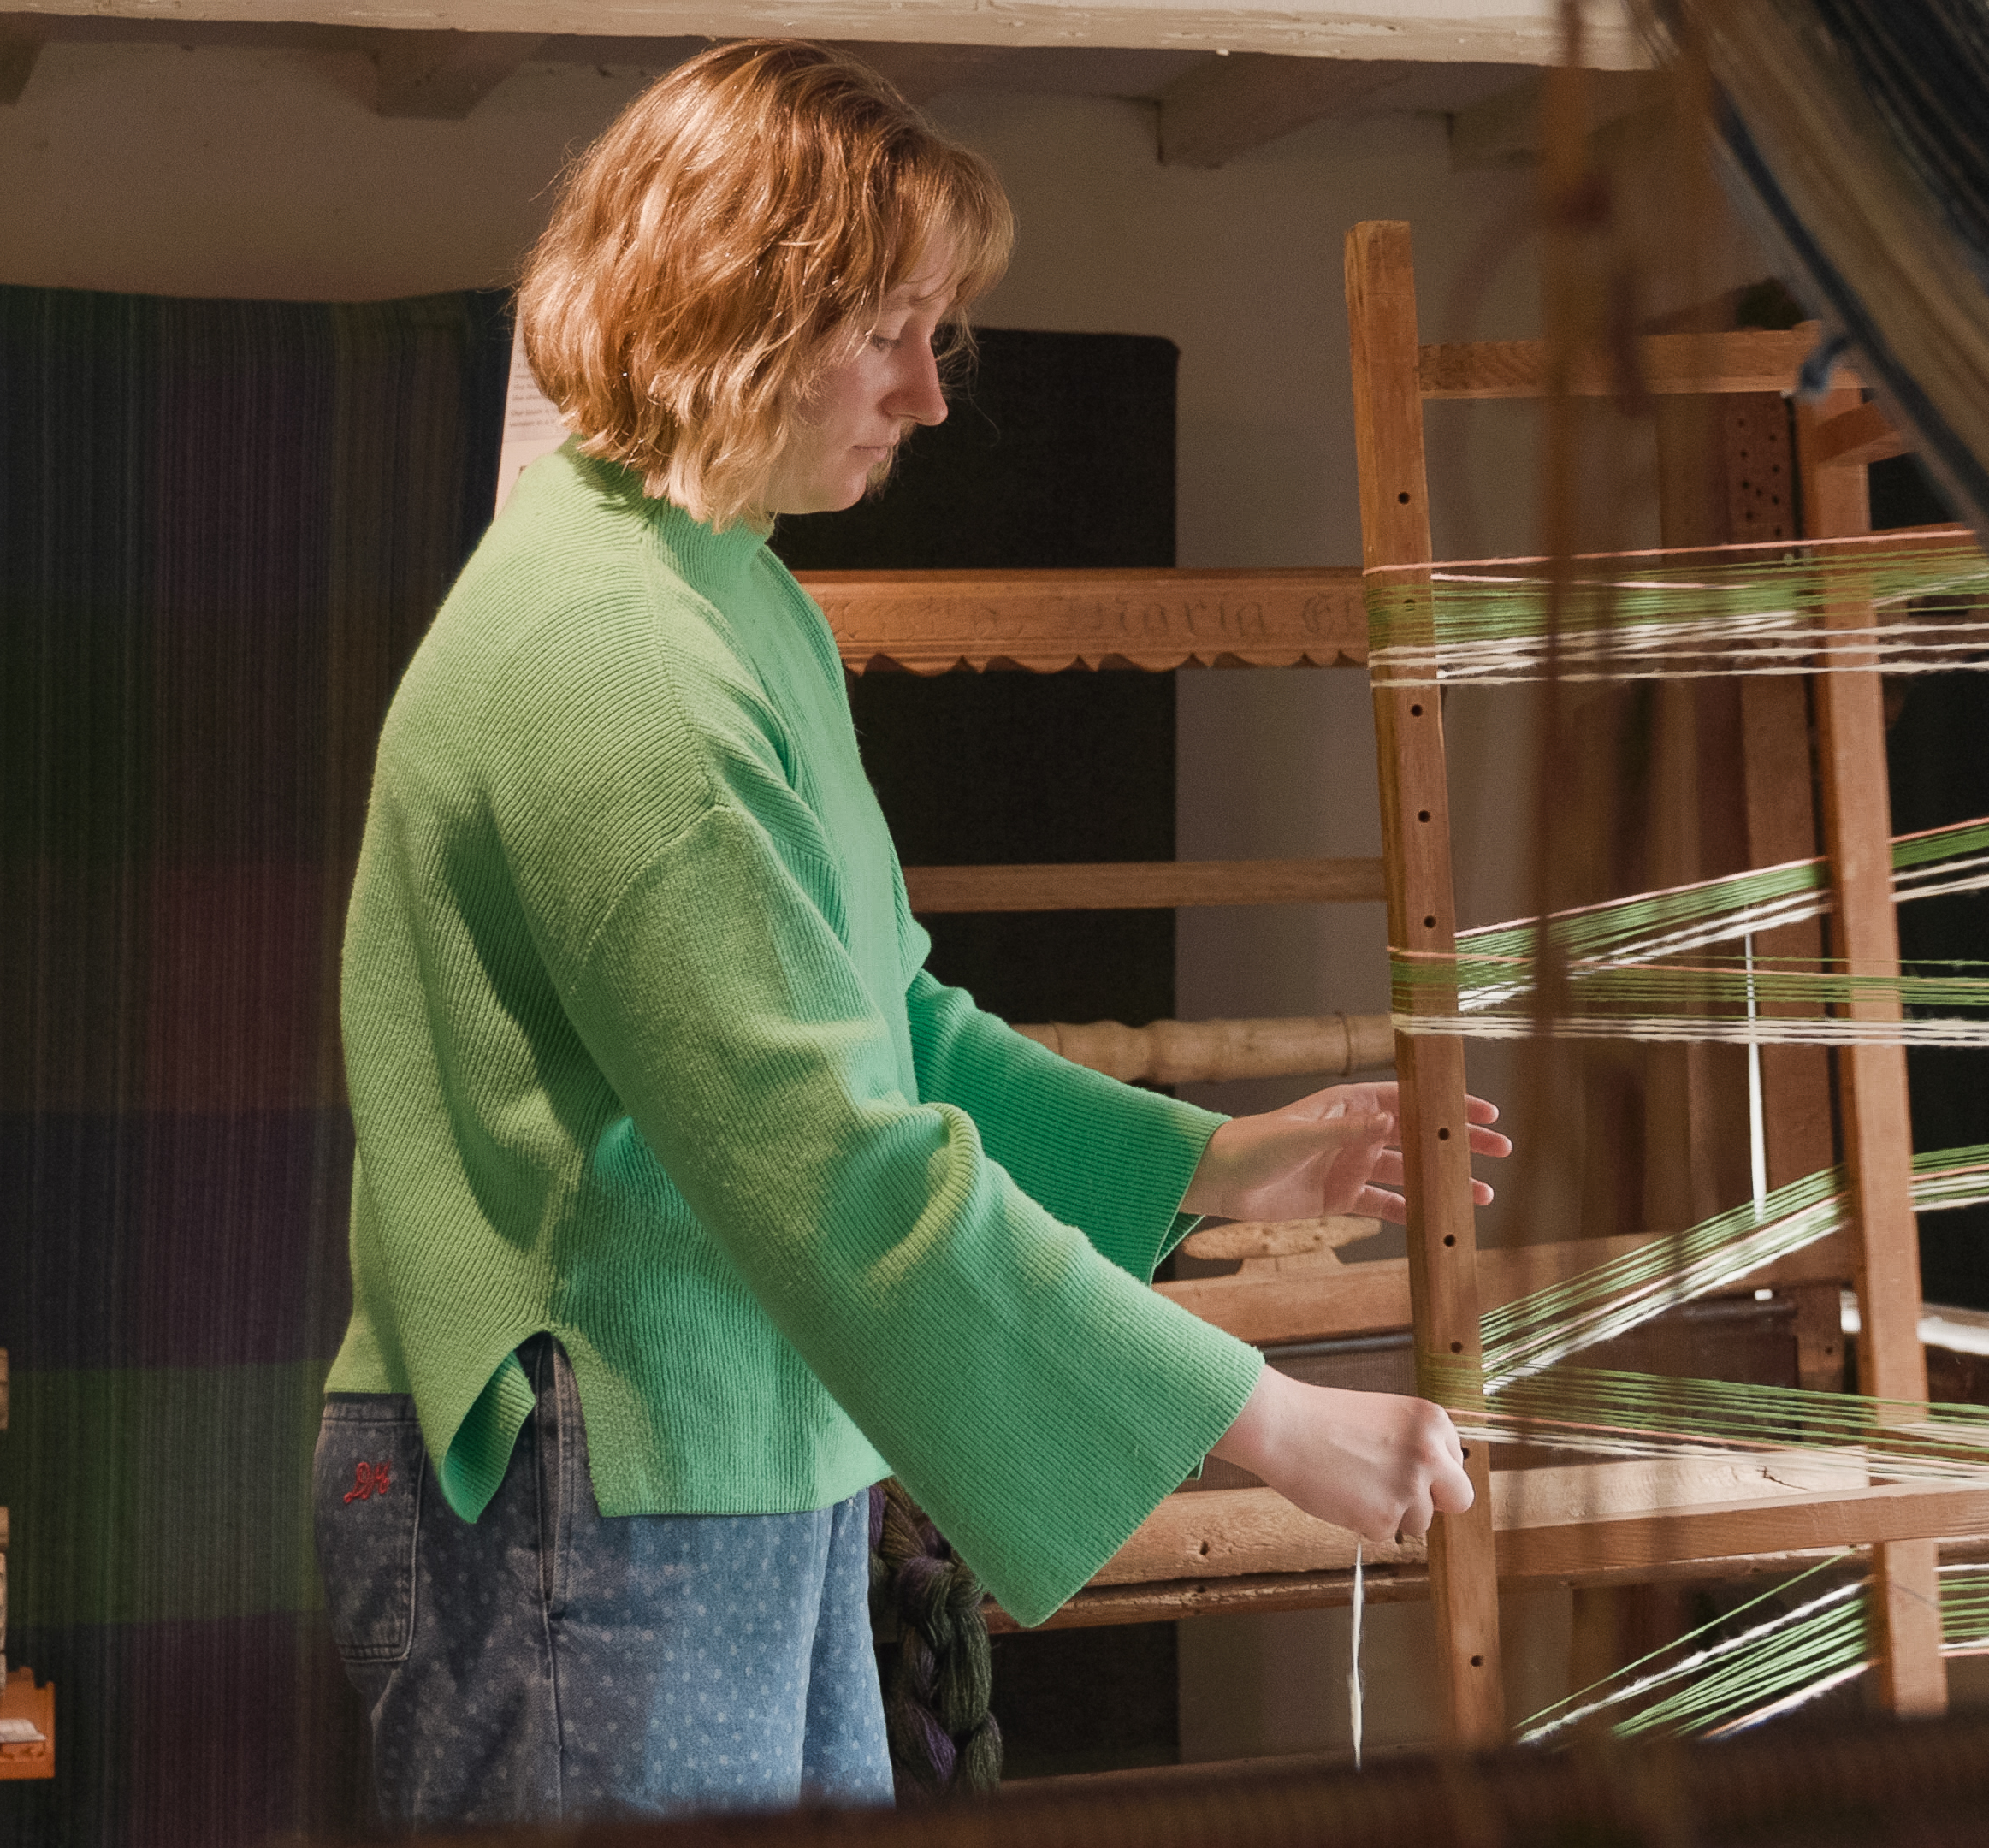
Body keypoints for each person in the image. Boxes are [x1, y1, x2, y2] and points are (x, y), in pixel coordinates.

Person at [311, 39, 1493, 1830]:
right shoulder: (615, 663)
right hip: (598, 1477)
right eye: (893, 334)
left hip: (717, 1456)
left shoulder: (728, 592)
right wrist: (1270, 1422)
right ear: (735, 309)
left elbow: (892, 1026)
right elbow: (836, 1167)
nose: (931, 398)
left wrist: (1226, 1161)